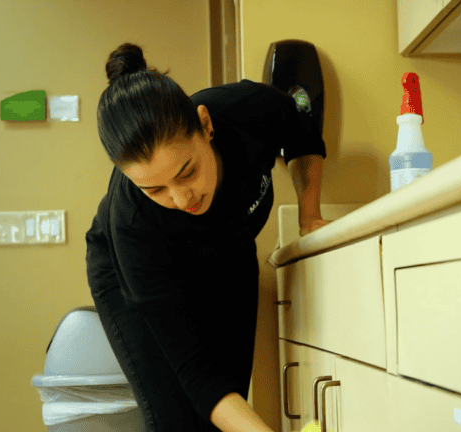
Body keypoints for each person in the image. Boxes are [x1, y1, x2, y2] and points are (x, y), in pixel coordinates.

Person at [85, 43, 330, 432]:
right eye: (156, 190)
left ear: (205, 124)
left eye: (186, 172)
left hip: (227, 251)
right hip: (132, 274)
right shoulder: (131, 225)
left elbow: (302, 135)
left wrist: (310, 215)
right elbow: (197, 375)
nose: (182, 199)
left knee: (231, 393)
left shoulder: (246, 108)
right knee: (176, 418)